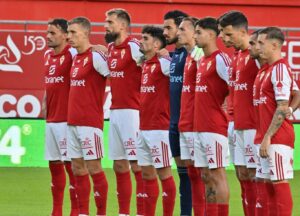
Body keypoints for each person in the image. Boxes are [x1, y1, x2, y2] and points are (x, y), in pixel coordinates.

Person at [66, 16, 109, 216]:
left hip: (90, 123)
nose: (69, 36)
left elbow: (117, 76)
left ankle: (101, 213)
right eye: (68, 32)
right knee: (77, 169)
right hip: (72, 121)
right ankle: (83, 212)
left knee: (94, 168)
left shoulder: (96, 56)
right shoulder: (76, 57)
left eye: (73, 32)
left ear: (86, 33)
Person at [104, 8, 144, 216]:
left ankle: (142, 212)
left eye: (110, 22)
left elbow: (151, 64)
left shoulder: (135, 47)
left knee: (137, 165)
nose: (106, 26)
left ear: (123, 25)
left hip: (133, 112)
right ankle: (123, 213)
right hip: (116, 112)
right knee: (119, 165)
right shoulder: (110, 48)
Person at [218, 11, 258, 215]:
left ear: (243, 32)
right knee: (242, 175)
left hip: (254, 126)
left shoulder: (257, 54)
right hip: (235, 124)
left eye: (228, 34)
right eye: (222, 34)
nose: (224, 39)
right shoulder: (235, 56)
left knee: (254, 176)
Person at [256, 26, 299, 216]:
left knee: (279, 183)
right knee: (266, 186)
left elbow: (281, 106)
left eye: (261, 43)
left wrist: (268, 136)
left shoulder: (280, 68)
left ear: (274, 45)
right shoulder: (266, 70)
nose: (258, 47)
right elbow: (296, 93)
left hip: (277, 138)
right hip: (265, 137)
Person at [137, 25, 176, 216]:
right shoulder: (145, 63)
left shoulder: (164, 63)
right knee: (146, 174)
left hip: (159, 128)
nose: (141, 41)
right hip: (143, 127)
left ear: (157, 44)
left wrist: (167, 56)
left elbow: (180, 79)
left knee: (164, 174)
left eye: (145, 38)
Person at [193, 17, 230, 215]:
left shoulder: (220, 59)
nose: (195, 36)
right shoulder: (203, 61)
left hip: (214, 128)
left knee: (217, 175)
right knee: (205, 175)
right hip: (199, 127)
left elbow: (236, 86)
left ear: (211, 34)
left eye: (198, 32)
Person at [44, 18, 78, 216]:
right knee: (54, 165)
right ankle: (56, 211)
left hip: (67, 120)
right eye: (48, 32)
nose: (48, 36)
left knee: (71, 167)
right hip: (51, 120)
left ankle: (75, 211)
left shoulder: (73, 53)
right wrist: (45, 101)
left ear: (66, 35)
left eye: (53, 33)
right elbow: (50, 83)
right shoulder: (48, 55)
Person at [162, 10, 193, 216]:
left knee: (201, 175)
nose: (165, 32)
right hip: (175, 123)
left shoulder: (196, 54)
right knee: (183, 174)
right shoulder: (175, 55)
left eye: (169, 28)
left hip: (192, 125)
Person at [176, 16, 206, 215]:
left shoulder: (201, 56)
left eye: (182, 29)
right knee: (193, 175)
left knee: (205, 175)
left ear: (195, 33)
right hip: (185, 124)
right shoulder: (187, 57)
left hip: (200, 126)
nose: (178, 33)